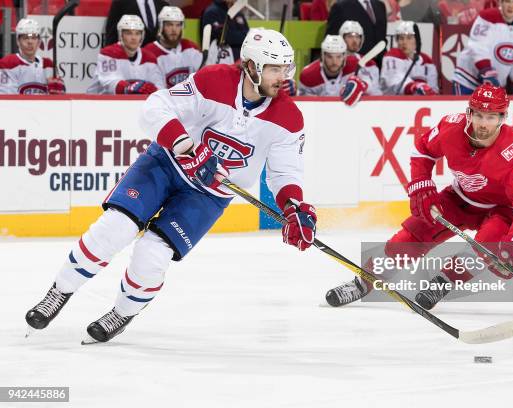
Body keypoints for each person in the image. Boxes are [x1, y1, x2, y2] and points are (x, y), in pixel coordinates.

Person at [25, 28, 316, 344]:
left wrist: (293, 208)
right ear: (250, 66)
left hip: (209, 195)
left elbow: (285, 173)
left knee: (153, 254)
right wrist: (186, 147)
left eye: (286, 67)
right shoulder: (213, 80)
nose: (283, 76)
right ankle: (60, 291)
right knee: (115, 228)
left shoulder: (289, 117)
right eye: (275, 68)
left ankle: (122, 312)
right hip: (165, 164)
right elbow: (155, 106)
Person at [325, 85, 513, 310]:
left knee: (486, 250)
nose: (483, 123)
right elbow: (422, 150)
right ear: (469, 113)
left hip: (501, 210)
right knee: (405, 242)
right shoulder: (451, 126)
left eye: (490, 117)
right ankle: (363, 281)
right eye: (478, 114)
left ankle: (443, 282)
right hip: (458, 199)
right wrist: (422, 186)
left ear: (503, 117)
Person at [452, 0, 513, 95]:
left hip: (493, 87)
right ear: (501, 3)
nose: (511, 6)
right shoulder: (488, 16)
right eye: (507, 1)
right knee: (464, 110)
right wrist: (486, 69)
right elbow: (477, 45)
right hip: (468, 80)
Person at [88, 15, 164, 94]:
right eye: (129, 33)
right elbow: (109, 82)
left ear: (142, 36)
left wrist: (154, 90)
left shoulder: (149, 58)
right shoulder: (109, 53)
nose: (134, 37)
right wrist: (128, 88)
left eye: (137, 33)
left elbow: (159, 85)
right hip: (99, 103)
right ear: (121, 35)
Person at [298, 35, 380, 105]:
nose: (334, 62)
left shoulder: (354, 65)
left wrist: (363, 86)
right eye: (330, 57)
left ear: (344, 57)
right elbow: (303, 103)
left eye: (338, 57)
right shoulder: (308, 75)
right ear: (323, 56)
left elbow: (374, 91)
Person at [0, 18, 65, 95]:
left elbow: (61, 97)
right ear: (18, 41)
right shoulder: (8, 64)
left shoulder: (48, 65)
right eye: (25, 38)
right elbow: (8, 100)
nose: (30, 42)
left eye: (33, 38)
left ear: (39, 42)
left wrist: (58, 92)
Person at [143, 6, 203, 89]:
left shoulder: (191, 48)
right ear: (161, 26)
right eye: (169, 25)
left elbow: (201, 80)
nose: (174, 29)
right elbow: (157, 90)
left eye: (178, 25)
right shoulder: (149, 53)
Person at [380, 20, 438, 95]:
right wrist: (413, 86)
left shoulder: (427, 61)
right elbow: (394, 79)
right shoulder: (392, 55)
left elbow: (433, 89)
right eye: (401, 38)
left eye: (409, 38)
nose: (404, 42)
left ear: (416, 40)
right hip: (394, 103)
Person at [325, 0, 387, 67]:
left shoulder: (380, 5)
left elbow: (381, 36)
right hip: (353, 66)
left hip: (380, 64)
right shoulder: (341, 6)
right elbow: (331, 38)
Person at [200, 0, 249, 65]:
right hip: (218, 62)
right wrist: (243, 36)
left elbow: (248, 37)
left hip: (240, 63)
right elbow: (224, 37)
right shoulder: (211, 11)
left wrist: (244, 36)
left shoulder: (238, 13)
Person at [339, 20, 380, 94]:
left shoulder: (370, 63)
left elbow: (376, 91)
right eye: (350, 36)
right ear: (342, 38)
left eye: (357, 37)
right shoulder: (334, 62)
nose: (354, 40)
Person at [104, 0, 169, 46]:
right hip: (130, 61)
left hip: (158, 62)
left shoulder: (163, 5)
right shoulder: (120, 3)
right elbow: (111, 36)